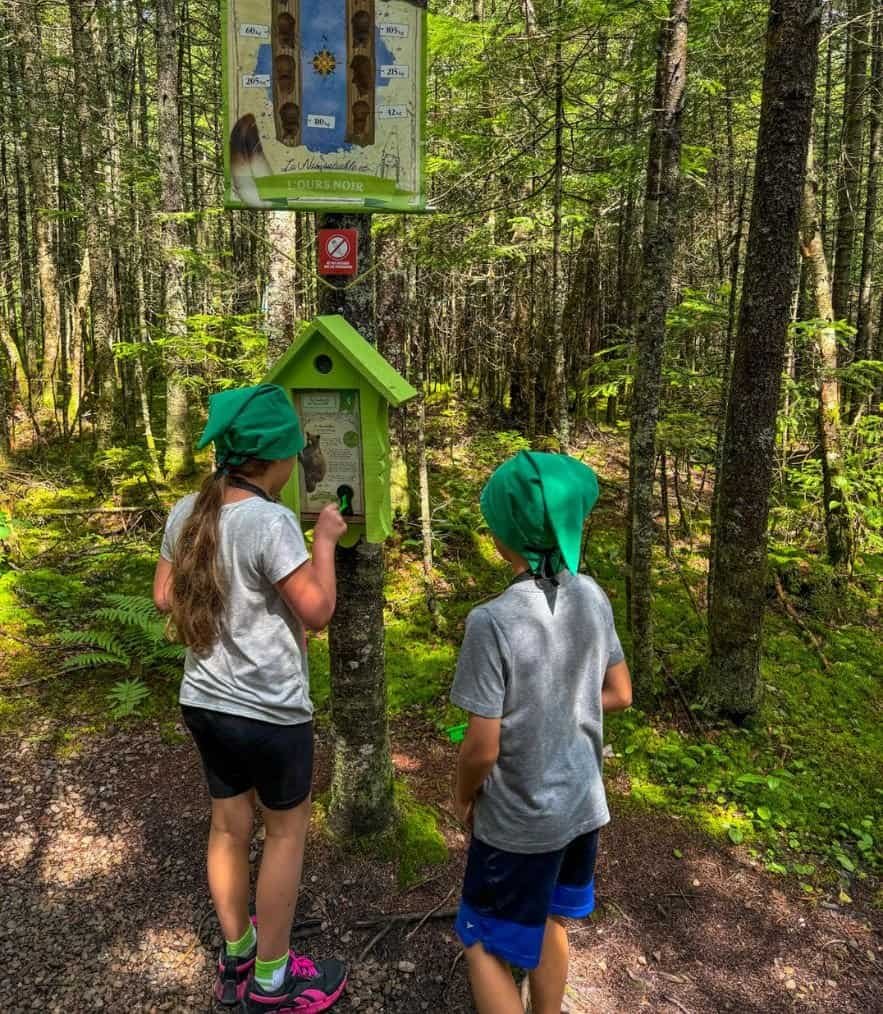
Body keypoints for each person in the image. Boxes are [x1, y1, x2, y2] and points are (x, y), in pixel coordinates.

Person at [152, 384, 348, 1013]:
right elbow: (316, 611)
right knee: (285, 836)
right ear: (275, 460)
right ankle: (272, 979)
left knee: (228, 828)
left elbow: (163, 596)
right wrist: (324, 544)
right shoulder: (270, 521)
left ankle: (237, 953)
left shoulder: (189, 510)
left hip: (204, 702)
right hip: (271, 712)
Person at [450, 450, 632, 1014]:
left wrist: (460, 798)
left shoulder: (492, 622)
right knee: (553, 917)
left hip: (519, 821)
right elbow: (620, 693)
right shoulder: (593, 595)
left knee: (483, 940)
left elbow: (482, 747)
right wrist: (564, 713)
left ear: (503, 535)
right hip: (582, 807)